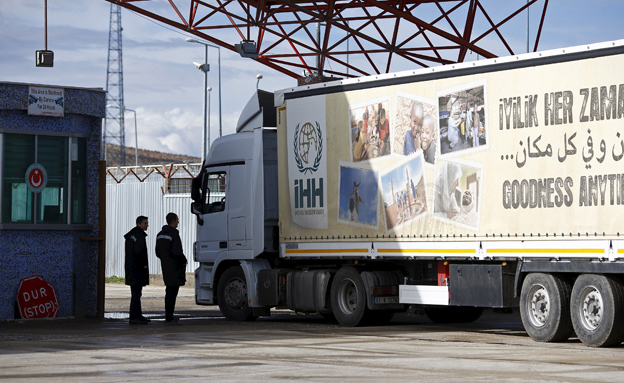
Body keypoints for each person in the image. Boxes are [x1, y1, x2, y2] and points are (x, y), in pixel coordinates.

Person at [155, 212, 188, 324]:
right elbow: (177, 252)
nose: (178, 222)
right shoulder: (174, 234)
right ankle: (169, 316)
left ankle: (168, 314)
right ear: (173, 221)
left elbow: (157, 252)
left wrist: (165, 259)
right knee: (173, 292)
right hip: (175, 267)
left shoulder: (160, 234)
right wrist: (184, 261)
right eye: (177, 220)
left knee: (169, 291)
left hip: (166, 266)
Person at [124, 215, 150, 325]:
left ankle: (137, 315)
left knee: (136, 293)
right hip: (137, 269)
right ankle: (134, 316)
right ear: (139, 224)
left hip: (131, 268)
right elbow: (140, 252)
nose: (147, 225)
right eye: (145, 223)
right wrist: (144, 265)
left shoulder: (132, 236)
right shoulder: (139, 235)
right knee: (136, 294)